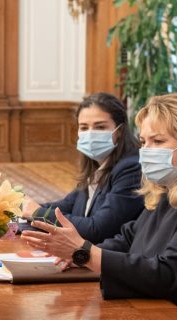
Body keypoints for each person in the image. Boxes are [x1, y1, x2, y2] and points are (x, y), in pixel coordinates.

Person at [23, 93, 177, 320]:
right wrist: (78, 256)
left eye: (158, 141)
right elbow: (128, 238)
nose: (145, 152)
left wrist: (85, 252)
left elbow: (168, 273)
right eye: (143, 142)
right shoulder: (172, 188)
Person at [21, 92, 144, 243]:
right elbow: (67, 205)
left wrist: (38, 213)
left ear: (119, 131)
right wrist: (20, 209)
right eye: (84, 128)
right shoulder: (97, 163)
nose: (90, 134)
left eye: (100, 127)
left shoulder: (131, 168)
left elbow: (98, 229)